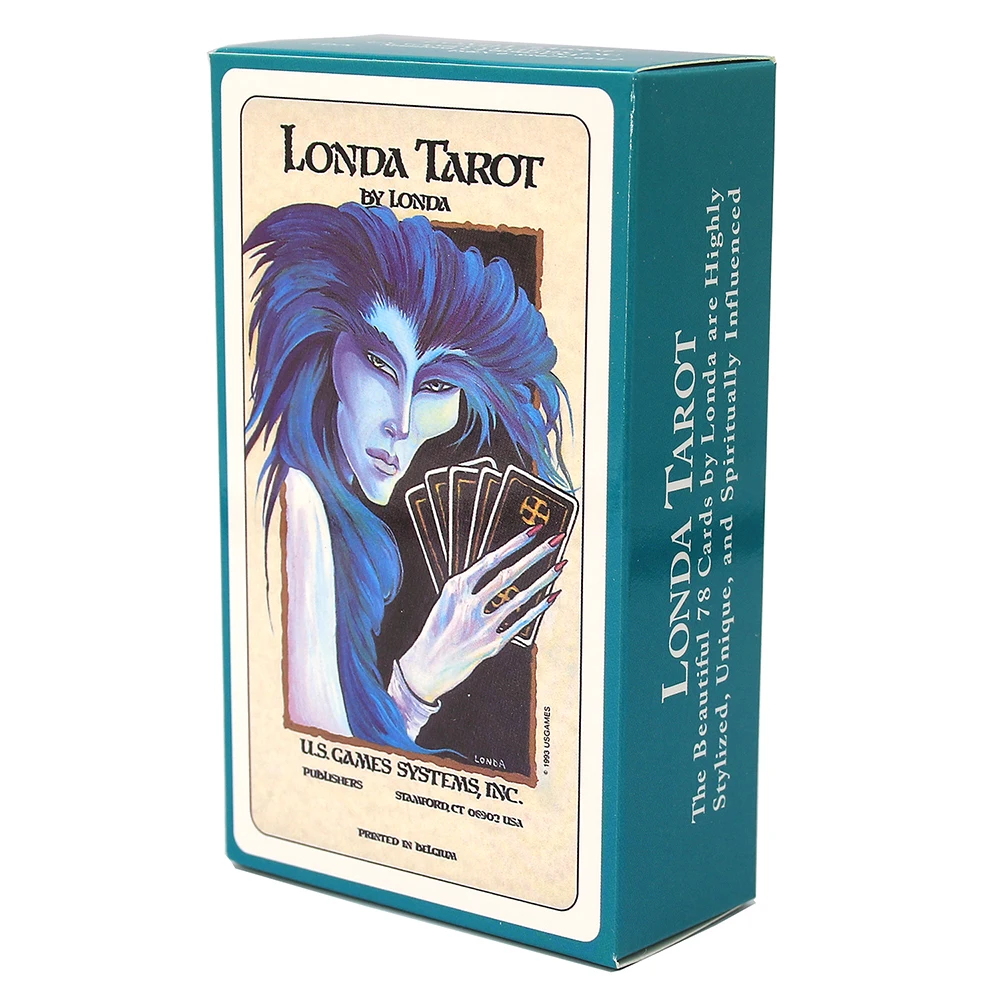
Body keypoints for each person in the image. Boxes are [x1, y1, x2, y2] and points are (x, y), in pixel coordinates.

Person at [244, 202, 572, 753]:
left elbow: (345, 760)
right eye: (379, 363)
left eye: (437, 386)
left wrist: (420, 678)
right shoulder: (295, 498)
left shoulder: (333, 510)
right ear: (329, 343)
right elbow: (329, 761)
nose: (401, 420)